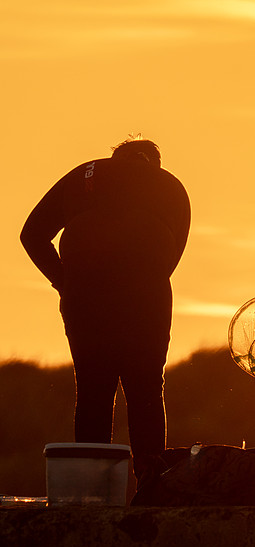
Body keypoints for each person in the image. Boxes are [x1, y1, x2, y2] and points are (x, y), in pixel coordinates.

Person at [20, 138, 191, 488]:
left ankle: (90, 491)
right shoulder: (170, 185)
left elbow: (31, 234)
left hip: (86, 297)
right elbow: (173, 254)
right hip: (146, 295)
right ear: (153, 164)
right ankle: (151, 485)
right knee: (145, 389)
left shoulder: (82, 175)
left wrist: (63, 281)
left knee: (93, 390)